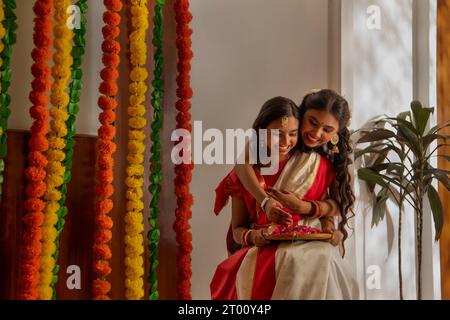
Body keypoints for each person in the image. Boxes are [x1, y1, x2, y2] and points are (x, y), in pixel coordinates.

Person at [210, 92, 359, 300]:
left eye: (292, 134)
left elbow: (333, 208)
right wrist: (260, 217)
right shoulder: (249, 170)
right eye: (312, 123)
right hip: (263, 248)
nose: (315, 133)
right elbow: (238, 228)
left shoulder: (321, 165)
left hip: (308, 244)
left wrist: (321, 222)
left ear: (336, 132)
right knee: (293, 259)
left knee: (323, 259)